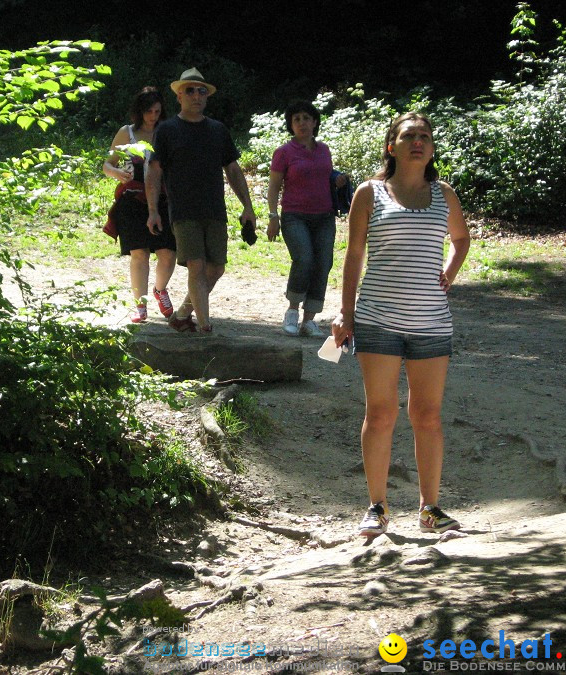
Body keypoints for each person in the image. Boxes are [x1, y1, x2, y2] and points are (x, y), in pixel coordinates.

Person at [331, 112, 471, 537]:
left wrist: (449, 271)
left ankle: (431, 509)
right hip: (378, 320)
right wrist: (346, 312)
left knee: (428, 416)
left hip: (432, 323)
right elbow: (354, 255)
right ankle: (377, 507)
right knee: (381, 413)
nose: (418, 142)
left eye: (424, 136)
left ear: (431, 148)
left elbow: (461, 239)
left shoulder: (443, 194)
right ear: (391, 146)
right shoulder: (369, 193)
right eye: (408, 136)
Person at [145, 68, 256, 333]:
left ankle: (183, 312)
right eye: (190, 90)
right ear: (179, 96)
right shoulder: (167, 130)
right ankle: (205, 327)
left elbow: (233, 170)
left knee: (216, 268)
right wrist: (152, 210)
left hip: (215, 210)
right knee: (196, 264)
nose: (196, 95)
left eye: (202, 91)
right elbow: (154, 170)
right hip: (183, 211)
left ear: (207, 97)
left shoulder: (217, 130)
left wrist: (248, 206)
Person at [266, 100, 350, 338]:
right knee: (304, 259)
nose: (302, 123)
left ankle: (310, 319)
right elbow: (273, 187)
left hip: (324, 216)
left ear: (315, 122)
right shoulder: (283, 153)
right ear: (291, 125)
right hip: (294, 216)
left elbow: (324, 176)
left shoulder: (324, 150)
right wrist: (273, 216)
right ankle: (292, 311)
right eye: (297, 119)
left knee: (323, 263)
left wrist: (336, 179)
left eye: (306, 118)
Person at [102, 87, 177, 323]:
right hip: (132, 199)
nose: (153, 116)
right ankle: (140, 306)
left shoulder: (167, 132)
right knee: (139, 253)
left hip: (163, 198)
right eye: (148, 111)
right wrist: (116, 173)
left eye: (157, 111)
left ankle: (160, 289)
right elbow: (107, 164)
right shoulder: (127, 133)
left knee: (167, 253)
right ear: (139, 111)